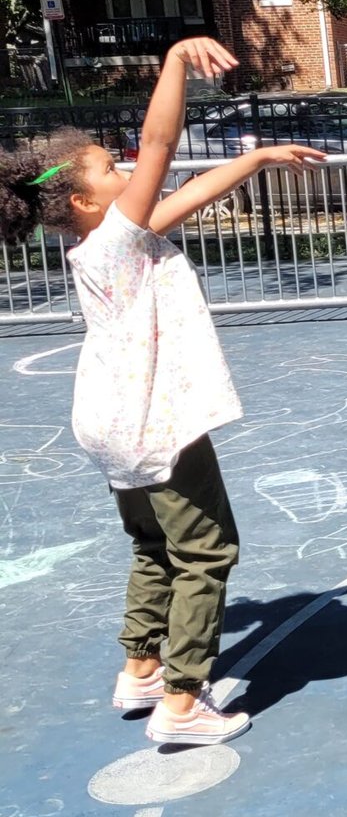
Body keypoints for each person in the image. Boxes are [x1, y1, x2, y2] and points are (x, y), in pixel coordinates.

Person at [0, 38, 324, 747]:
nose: (125, 169)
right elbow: (159, 143)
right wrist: (175, 60)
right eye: (108, 169)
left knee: (153, 544)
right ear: (84, 200)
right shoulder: (116, 239)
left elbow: (191, 194)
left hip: (110, 420)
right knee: (206, 551)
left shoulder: (110, 241)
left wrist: (255, 159)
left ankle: (141, 667)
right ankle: (182, 701)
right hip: (154, 418)